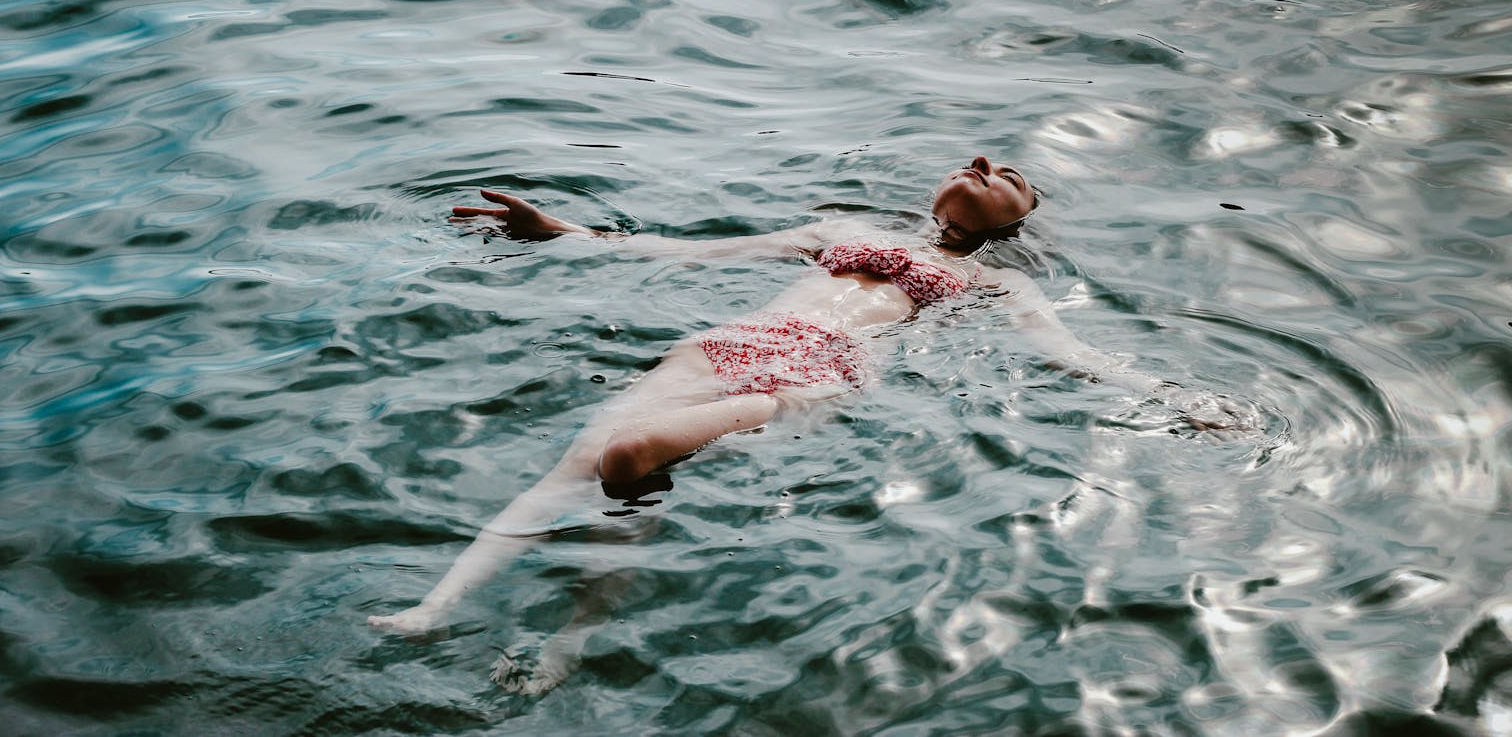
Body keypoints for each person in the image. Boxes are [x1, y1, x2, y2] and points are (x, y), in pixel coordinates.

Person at [367, 155, 1253, 684]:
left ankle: (577, 630)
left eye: (1010, 176)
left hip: (820, 373)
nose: (984, 165)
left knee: (629, 456)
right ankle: (436, 608)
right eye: (976, 161)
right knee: (579, 470)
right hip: (720, 347)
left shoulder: (998, 282)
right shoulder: (837, 226)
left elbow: (1072, 357)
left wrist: (1178, 401)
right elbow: (684, 250)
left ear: (1019, 220)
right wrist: (560, 230)